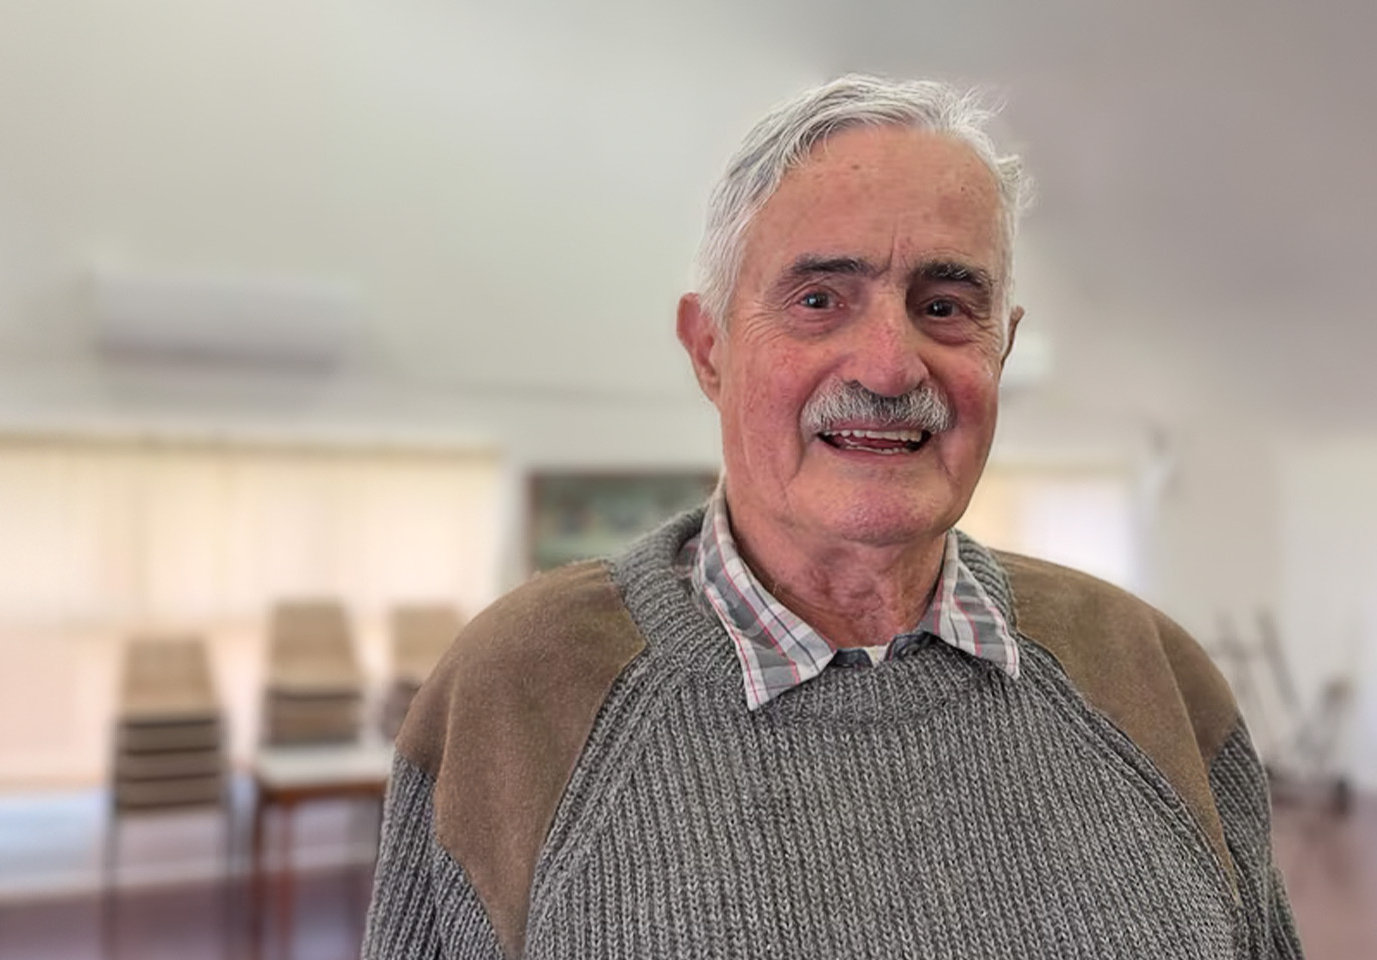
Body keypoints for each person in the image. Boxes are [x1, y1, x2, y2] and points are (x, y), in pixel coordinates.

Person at [362, 75, 1302, 960]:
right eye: (818, 300)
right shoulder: (515, 695)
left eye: (943, 305)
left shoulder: (1157, 679)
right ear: (710, 349)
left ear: (1002, 349)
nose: (890, 367)